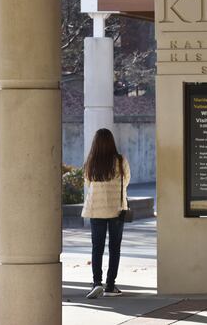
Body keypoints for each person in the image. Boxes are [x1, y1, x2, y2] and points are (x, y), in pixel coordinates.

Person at [82, 128, 130, 299]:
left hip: (96, 209)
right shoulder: (120, 160)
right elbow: (127, 181)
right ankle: (110, 285)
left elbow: (88, 183)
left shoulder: (91, 162)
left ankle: (96, 283)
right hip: (116, 209)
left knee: (97, 247)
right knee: (114, 247)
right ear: (112, 141)